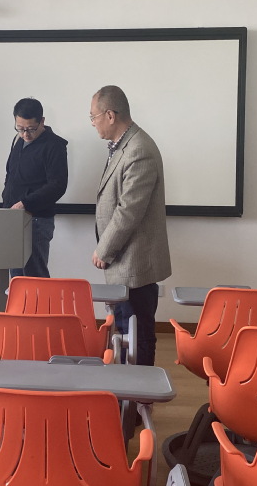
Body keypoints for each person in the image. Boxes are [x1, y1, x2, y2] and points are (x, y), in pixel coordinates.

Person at [90, 85, 171, 366]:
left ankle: (139, 392)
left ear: (110, 115)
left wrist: (104, 249)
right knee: (125, 331)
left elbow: (129, 211)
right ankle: (127, 389)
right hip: (124, 261)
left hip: (135, 262)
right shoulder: (121, 147)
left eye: (94, 116)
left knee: (138, 335)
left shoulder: (139, 150)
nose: (93, 123)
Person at [2, 98, 68, 278]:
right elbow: (11, 174)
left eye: (31, 129)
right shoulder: (18, 140)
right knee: (16, 277)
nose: (25, 134)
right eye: (20, 128)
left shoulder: (54, 145)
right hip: (12, 218)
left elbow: (57, 186)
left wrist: (25, 203)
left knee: (35, 276)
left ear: (42, 121)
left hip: (36, 220)